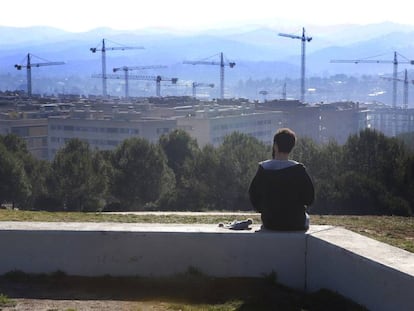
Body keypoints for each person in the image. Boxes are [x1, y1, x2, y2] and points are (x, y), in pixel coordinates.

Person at [248, 128, 314, 231]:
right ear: (292, 147)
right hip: (296, 222)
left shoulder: (263, 169)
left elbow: (253, 196)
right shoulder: (299, 170)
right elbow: (310, 198)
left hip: (270, 221)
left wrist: (265, 210)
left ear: (275, 146)